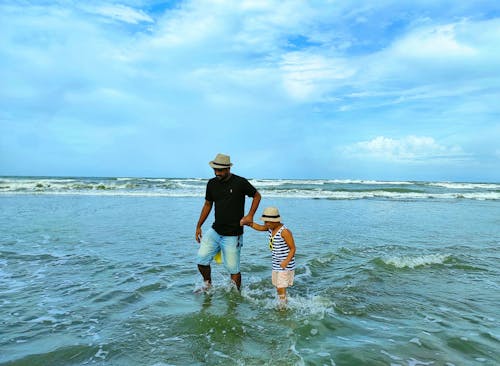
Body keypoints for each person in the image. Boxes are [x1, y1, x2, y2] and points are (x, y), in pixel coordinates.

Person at [195, 153, 261, 291]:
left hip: (233, 234)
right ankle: (207, 284)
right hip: (215, 230)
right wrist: (199, 226)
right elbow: (208, 204)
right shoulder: (212, 183)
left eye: (220, 170)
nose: (217, 172)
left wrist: (250, 216)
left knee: (233, 269)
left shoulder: (240, 182)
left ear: (228, 169)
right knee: (201, 260)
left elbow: (256, 195)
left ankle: (236, 295)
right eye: (215, 169)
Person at [246, 207, 296, 305]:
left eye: (267, 222)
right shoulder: (270, 228)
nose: (265, 224)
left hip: (285, 264)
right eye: (265, 222)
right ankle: (283, 300)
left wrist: (286, 261)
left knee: (280, 286)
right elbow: (260, 227)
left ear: (275, 221)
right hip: (276, 263)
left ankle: (282, 306)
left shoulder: (284, 232)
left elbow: (293, 248)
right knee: (277, 285)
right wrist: (249, 224)